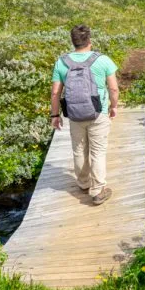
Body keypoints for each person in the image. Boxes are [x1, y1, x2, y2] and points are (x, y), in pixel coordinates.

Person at [50, 25, 119, 205]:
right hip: (98, 113)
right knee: (98, 151)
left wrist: (55, 115)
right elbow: (113, 88)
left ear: (73, 42)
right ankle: (97, 191)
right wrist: (114, 106)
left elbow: (55, 93)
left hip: (74, 115)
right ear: (89, 40)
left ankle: (83, 183)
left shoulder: (61, 62)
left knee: (79, 150)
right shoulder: (103, 60)